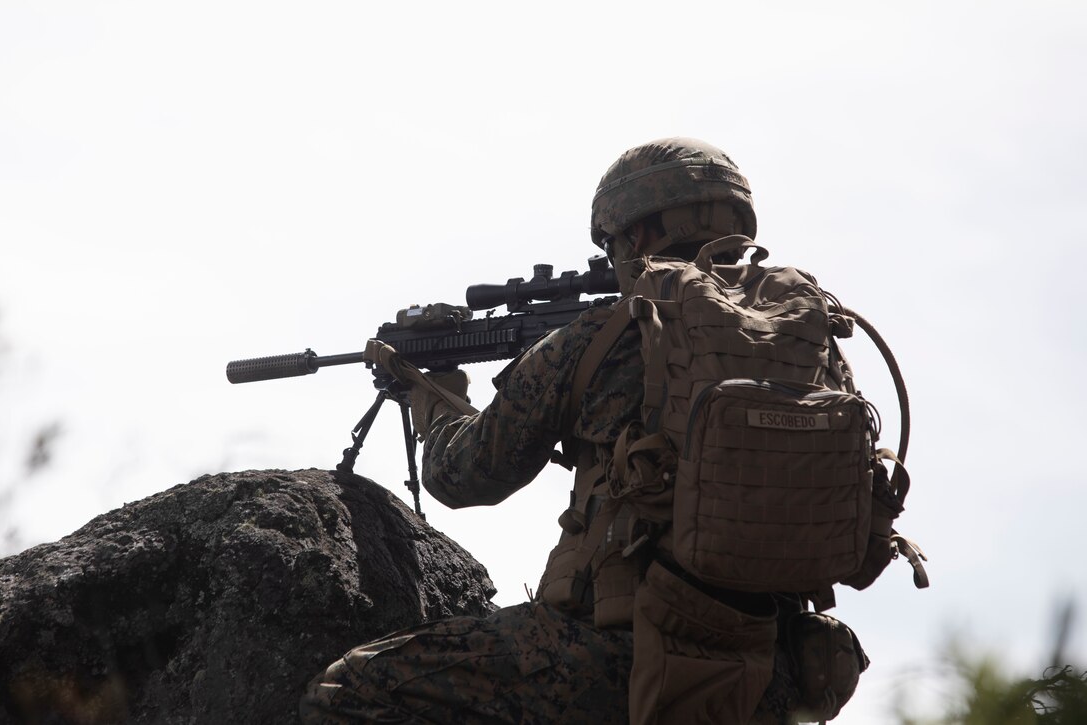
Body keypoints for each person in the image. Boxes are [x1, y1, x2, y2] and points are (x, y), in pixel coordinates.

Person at [300, 138, 861, 724]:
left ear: (636, 235)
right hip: (774, 670)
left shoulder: (601, 334)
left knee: (347, 694)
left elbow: (464, 474)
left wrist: (433, 397)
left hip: (617, 657)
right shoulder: (815, 347)